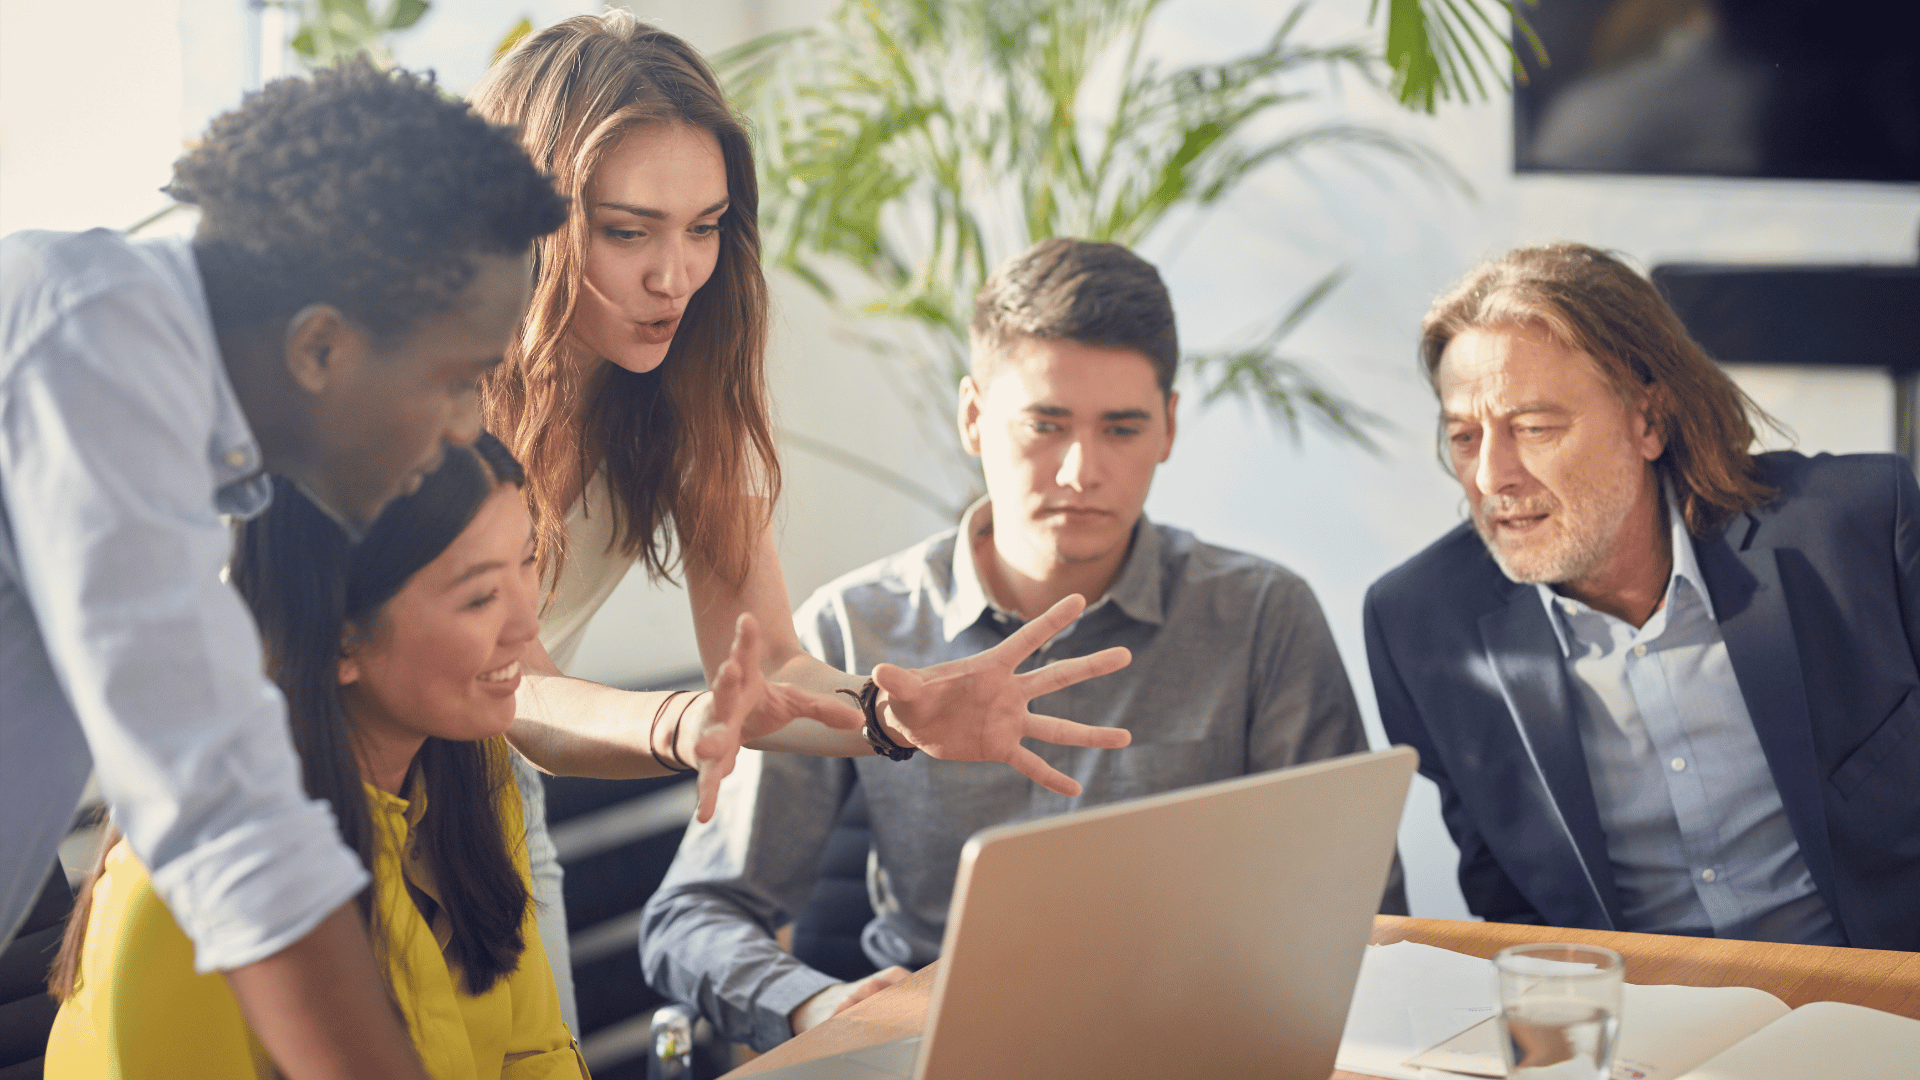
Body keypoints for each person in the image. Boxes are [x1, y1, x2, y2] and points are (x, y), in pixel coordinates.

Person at [469, 13, 1132, 1026]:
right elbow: (504, 685)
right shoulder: (431, 388)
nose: (674, 276)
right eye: (627, 230)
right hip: (312, 787)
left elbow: (768, 660)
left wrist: (889, 715)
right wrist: (687, 723)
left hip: (486, 805)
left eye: (704, 228)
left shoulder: (686, 385)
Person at [639, 238, 1407, 1051]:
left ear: (1170, 427)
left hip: (1197, 1044)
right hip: (940, 1051)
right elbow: (693, 914)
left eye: (1121, 428)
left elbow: (1356, 903)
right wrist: (813, 1006)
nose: (1081, 469)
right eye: (1045, 424)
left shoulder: (1261, 619)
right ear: (973, 417)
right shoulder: (854, 630)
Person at [0, 62, 566, 1076]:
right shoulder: (92, 338)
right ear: (319, 349)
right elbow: (223, 807)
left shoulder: (194, 455)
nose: (465, 431)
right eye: (454, 380)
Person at [1364, 242, 1920, 951]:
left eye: (1534, 427)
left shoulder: (1858, 529)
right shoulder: (1417, 626)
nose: (1491, 477)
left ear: (1648, 419)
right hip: (1635, 1034)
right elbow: (1512, 912)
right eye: (1466, 437)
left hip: (1873, 1001)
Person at [47, 436, 590, 1078]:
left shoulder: (473, 775)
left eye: (527, 562)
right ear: (339, 644)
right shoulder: (183, 899)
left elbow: (534, 1050)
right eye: (478, 598)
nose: (527, 627)